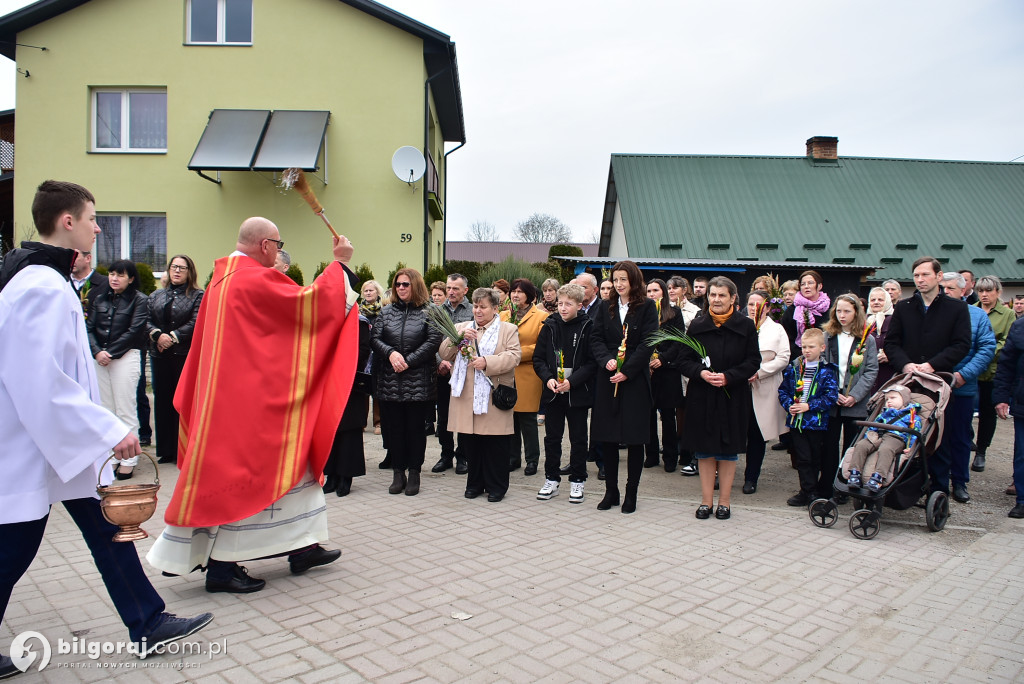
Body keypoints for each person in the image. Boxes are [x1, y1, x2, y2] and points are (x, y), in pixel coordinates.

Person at [0, 180, 212, 668]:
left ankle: (147, 622)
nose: (98, 228)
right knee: (13, 548)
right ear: (67, 222)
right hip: (33, 445)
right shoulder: (40, 286)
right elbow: (43, 382)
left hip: (55, 444)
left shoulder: (45, 281)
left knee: (106, 527)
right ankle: (148, 622)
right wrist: (109, 430)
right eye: (93, 219)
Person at [147, 217, 358, 593]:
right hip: (245, 408)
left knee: (297, 470)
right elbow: (310, 307)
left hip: (230, 398)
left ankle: (302, 548)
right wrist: (339, 264)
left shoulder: (222, 280)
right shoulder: (251, 279)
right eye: (278, 244)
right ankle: (222, 570)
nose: (278, 251)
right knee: (241, 483)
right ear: (265, 246)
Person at [885, 257, 972, 498]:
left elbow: (961, 344)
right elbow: (892, 343)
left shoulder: (956, 308)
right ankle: (901, 486)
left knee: (939, 437)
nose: (920, 279)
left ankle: (939, 489)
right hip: (909, 381)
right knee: (903, 431)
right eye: (916, 275)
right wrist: (906, 364)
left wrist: (932, 365)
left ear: (939, 276)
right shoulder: (904, 307)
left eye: (925, 274)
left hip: (938, 381)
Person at [680, 276, 761, 520]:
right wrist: (700, 373)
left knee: (727, 452)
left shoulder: (745, 326)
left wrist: (729, 377)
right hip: (702, 397)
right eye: (712, 295)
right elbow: (684, 360)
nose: (716, 300)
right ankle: (706, 502)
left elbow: (753, 361)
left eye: (721, 295)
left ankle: (724, 502)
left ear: (733, 298)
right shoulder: (697, 325)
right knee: (705, 451)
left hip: (732, 397)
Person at [439, 287, 521, 502]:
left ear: (495, 308)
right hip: (466, 396)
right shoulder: (461, 327)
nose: (477, 310)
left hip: (493, 395)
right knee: (471, 443)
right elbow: (444, 353)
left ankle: (497, 486)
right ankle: (474, 483)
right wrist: (457, 338)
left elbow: (514, 357)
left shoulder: (507, 329)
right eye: (475, 306)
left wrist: (487, 362)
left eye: (483, 307)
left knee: (495, 445)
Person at [590, 261, 658, 514]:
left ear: (634, 281)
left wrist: (627, 370)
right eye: (615, 280)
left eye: (623, 280)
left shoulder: (647, 306)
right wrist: (606, 360)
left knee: (634, 439)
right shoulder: (605, 307)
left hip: (634, 380)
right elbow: (595, 337)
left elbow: (649, 341)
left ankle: (631, 493)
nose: (618, 285)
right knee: (606, 437)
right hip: (607, 377)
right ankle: (611, 491)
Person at [371, 268, 442, 496]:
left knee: (415, 430)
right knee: (394, 430)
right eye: (398, 284)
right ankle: (398, 472)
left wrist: (408, 361)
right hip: (390, 380)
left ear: (416, 286)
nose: (401, 288)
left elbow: (433, 341)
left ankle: (414, 473)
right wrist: (391, 353)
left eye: (405, 284)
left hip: (418, 381)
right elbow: (375, 339)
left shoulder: (430, 311)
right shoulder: (387, 311)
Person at [87, 259, 149, 479]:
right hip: (101, 358)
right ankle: (112, 456)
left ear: (130, 278)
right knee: (106, 410)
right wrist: (97, 352)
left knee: (125, 408)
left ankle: (129, 458)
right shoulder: (100, 298)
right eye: (112, 274)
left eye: (120, 275)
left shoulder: (140, 300)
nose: (114, 278)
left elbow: (134, 331)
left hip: (125, 357)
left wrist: (110, 353)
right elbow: (89, 328)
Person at [533, 283, 596, 503]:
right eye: (560, 303)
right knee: (552, 438)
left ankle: (578, 481)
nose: (563, 308)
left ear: (580, 305)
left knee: (578, 438)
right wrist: (548, 378)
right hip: (552, 392)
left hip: (577, 392)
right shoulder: (549, 324)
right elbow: (538, 358)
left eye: (568, 304)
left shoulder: (588, 326)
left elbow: (591, 362)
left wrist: (572, 382)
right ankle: (551, 478)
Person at [936, 272, 994, 503]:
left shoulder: (977, 316)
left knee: (960, 436)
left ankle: (959, 481)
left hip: (961, 386)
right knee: (935, 437)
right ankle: (933, 479)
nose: (946, 292)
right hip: (935, 385)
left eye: (950, 288)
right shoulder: (933, 314)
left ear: (963, 291)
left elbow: (986, 348)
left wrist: (964, 374)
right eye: (943, 288)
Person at [146, 254, 203, 465]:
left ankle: (185, 447)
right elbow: (147, 319)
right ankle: (166, 449)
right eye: (174, 267)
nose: (177, 271)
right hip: (159, 354)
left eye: (182, 268)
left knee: (183, 402)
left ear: (190, 272)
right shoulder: (157, 295)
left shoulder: (197, 295)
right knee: (162, 401)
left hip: (183, 355)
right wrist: (157, 335)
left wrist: (173, 337)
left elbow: (196, 320)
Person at [823, 293, 878, 501]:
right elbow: (823, 365)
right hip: (833, 401)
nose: (842, 315)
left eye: (847, 311)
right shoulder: (828, 336)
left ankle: (845, 486)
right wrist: (832, 392)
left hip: (855, 402)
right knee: (829, 446)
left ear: (856, 312)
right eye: (839, 311)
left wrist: (854, 395)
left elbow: (871, 371)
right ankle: (828, 485)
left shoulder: (867, 339)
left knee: (851, 446)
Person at [778, 328, 839, 507]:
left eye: (811, 347)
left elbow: (831, 397)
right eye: (804, 346)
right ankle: (807, 491)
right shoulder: (794, 368)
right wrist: (789, 404)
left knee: (815, 458)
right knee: (802, 458)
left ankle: (814, 491)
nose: (806, 350)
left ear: (822, 348)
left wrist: (809, 406)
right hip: (797, 423)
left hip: (816, 423)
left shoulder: (827, 371)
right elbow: (783, 390)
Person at [743, 290, 791, 494]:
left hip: (763, 385)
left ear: (768, 307)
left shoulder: (777, 329)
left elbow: (783, 358)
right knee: (734, 432)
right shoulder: (740, 324)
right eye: (751, 304)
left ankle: (751, 477)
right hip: (739, 385)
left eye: (759, 304)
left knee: (757, 434)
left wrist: (760, 372)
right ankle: (721, 472)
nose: (754, 308)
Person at [501, 278, 549, 475]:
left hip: (528, 373)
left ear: (530, 295)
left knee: (528, 420)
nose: (515, 294)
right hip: (505, 373)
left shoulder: (541, 316)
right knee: (509, 417)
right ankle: (513, 458)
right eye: (513, 291)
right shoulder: (503, 315)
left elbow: (542, 346)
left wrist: (516, 352)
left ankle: (532, 460)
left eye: (520, 291)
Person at [323, 310, 371, 497]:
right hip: (327, 381)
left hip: (349, 380)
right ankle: (331, 475)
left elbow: (363, 349)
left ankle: (346, 476)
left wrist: (345, 369)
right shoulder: (325, 317)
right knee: (330, 429)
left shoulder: (359, 321)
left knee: (349, 428)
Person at [843, 384, 922, 492]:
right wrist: (867, 437)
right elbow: (873, 426)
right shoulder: (884, 414)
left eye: (893, 398)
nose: (888, 401)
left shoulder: (912, 416)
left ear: (904, 400)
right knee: (861, 445)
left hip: (896, 437)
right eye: (886, 399)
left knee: (886, 449)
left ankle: (878, 477)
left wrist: (911, 447)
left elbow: (914, 433)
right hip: (878, 434)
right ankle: (855, 473)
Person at [431, 273, 473, 475]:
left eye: (456, 288)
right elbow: (431, 340)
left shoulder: (473, 311)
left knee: (464, 415)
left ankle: (463, 456)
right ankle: (446, 454)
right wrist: (441, 362)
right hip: (443, 372)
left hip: (465, 372)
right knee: (445, 416)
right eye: (448, 288)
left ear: (465, 290)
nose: (451, 292)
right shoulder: (436, 311)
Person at [973, 276, 1014, 473]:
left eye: (989, 291)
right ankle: (967, 443)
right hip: (971, 370)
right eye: (981, 291)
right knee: (964, 412)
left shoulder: (1007, 314)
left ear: (998, 292)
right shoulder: (971, 309)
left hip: (992, 372)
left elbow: (1007, 341)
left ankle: (981, 450)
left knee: (988, 413)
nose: (984, 295)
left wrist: (985, 351)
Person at [644, 278, 684, 472]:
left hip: (668, 370)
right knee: (648, 414)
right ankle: (651, 455)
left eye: (655, 291)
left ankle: (670, 457)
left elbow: (679, 341)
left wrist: (663, 359)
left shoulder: (674, 313)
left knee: (668, 416)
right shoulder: (643, 313)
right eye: (649, 291)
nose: (652, 294)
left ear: (664, 293)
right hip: (648, 370)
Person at [994, 316, 1024, 518]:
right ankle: (1022, 500)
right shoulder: (1020, 326)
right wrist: (1001, 397)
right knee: (1023, 452)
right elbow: (1006, 365)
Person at [780, 270, 831, 360]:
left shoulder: (829, 309)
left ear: (819, 286)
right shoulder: (792, 311)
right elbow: (786, 338)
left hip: (825, 357)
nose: (806, 286)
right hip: (798, 359)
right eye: (803, 284)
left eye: (810, 283)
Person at [359, 279, 384, 436]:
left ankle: (378, 422)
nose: (368, 293)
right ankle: (361, 422)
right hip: (363, 353)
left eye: (371, 290)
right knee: (362, 387)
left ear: (377, 293)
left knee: (377, 388)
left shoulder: (384, 310)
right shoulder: (358, 311)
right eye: (365, 291)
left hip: (379, 353)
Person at [867, 287, 896, 394]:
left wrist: (890, 356)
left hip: (888, 372)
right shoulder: (864, 321)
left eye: (880, 300)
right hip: (868, 376)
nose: (876, 302)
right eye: (873, 300)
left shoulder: (896, 320)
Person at [70, 247, 107, 317]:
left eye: (75, 256)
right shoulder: (63, 283)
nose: (70, 261)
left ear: (88, 258)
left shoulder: (105, 284)